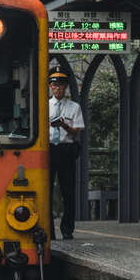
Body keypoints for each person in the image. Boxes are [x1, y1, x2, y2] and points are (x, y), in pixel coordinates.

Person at [47, 71, 84, 240]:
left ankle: (67, 229)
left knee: (68, 191)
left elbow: (76, 132)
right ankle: (48, 230)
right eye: (54, 85)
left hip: (66, 149)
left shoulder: (74, 107)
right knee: (45, 190)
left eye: (60, 85)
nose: (57, 89)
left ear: (65, 87)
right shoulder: (44, 105)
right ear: (50, 87)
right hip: (48, 149)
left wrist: (64, 125)